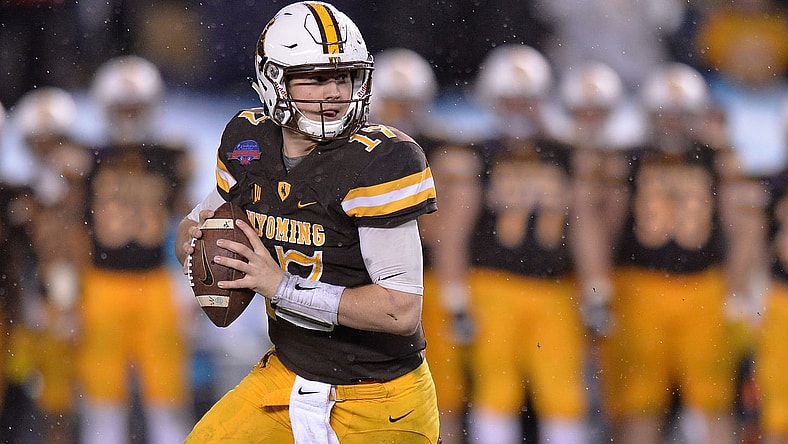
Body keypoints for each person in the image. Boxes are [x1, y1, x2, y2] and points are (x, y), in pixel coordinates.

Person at [174, 2, 440, 443]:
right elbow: (196, 224)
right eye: (316, 78)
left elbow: (400, 310)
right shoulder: (249, 141)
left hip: (380, 397)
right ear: (274, 79)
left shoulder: (381, 160)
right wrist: (198, 245)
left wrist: (279, 286)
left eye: (344, 77)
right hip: (288, 373)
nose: (334, 92)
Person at [598, 62, 756, 444]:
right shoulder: (629, 158)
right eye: (665, 112)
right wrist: (599, 285)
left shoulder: (719, 156)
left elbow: (743, 225)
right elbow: (606, 225)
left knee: (712, 400)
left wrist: (737, 288)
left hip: (704, 287)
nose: (672, 121)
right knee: (640, 401)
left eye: (681, 113)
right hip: (641, 286)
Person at [464, 44, 606, 444]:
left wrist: (596, 287)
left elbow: (583, 225)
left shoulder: (566, 153)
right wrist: (457, 292)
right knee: (495, 391)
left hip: (555, 289)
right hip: (492, 284)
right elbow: (455, 228)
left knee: (563, 393)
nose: (518, 108)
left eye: (527, 100)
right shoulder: (478, 154)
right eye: (510, 100)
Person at [78, 55, 192, 444]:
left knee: (167, 396)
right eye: (122, 107)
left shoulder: (170, 156)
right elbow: (72, 228)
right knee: (102, 398)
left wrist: (192, 282)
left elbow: (191, 221)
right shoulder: (87, 157)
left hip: (155, 281)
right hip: (101, 282)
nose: (129, 114)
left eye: (136, 107)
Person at [370, 47, 473, 444]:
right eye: (394, 102)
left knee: (442, 388)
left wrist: (454, 287)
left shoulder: (443, 149)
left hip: (422, 280)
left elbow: (449, 228)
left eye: (410, 102)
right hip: (367, 284)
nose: (402, 112)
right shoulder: (351, 150)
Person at [11, 86, 92, 444]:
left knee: (87, 396)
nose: (48, 149)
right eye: (39, 142)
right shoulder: (24, 191)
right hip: (39, 295)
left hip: (82, 293)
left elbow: (77, 242)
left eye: (53, 140)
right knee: (49, 397)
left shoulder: (83, 183)